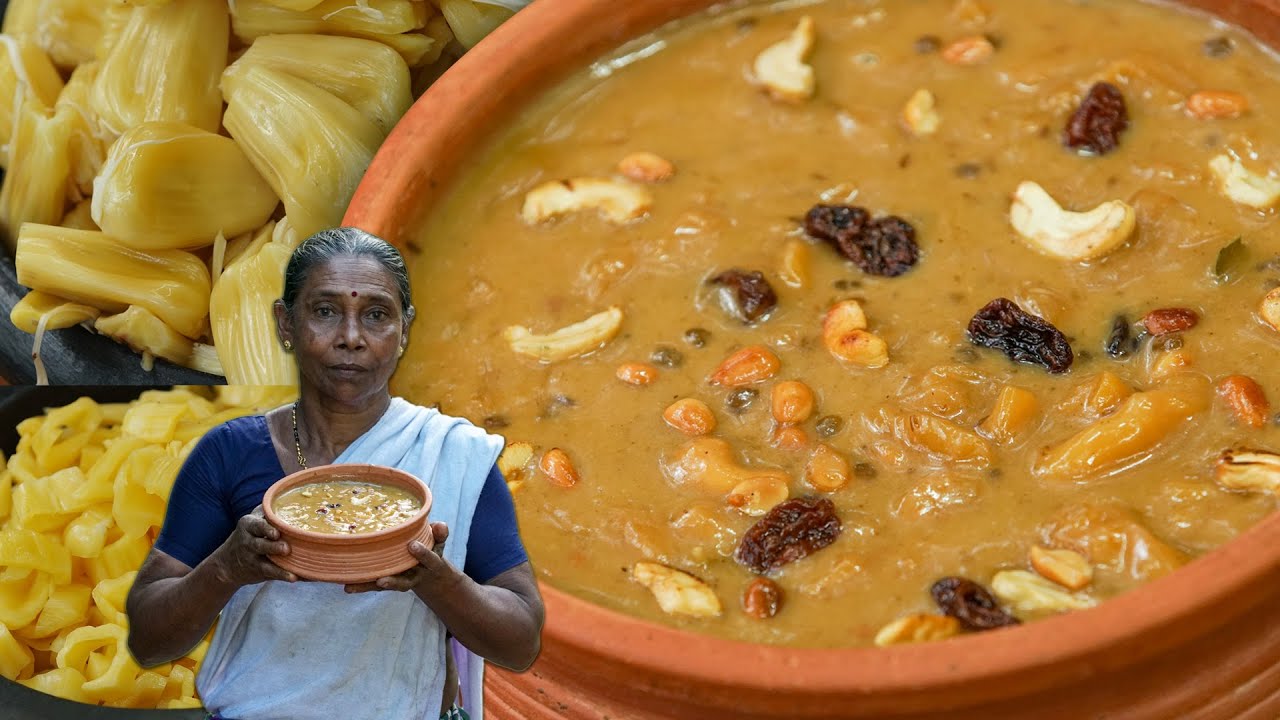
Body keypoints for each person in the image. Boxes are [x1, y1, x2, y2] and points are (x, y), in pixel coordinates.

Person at [125, 227, 544, 720]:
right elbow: (149, 640)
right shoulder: (230, 452)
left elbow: (521, 644)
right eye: (325, 312)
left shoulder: (455, 453)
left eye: (376, 315)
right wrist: (226, 568)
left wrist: (437, 581)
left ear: (404, 330)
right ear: (285, 323)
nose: (351, 338)